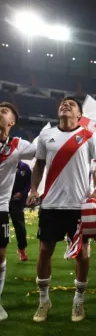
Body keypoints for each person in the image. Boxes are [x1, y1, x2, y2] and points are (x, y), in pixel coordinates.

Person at [26, 97, 96, 323]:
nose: (65, 105)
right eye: (63, 103)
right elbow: (39, 165)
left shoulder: (90, 136)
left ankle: (78, 300)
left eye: (71, 104)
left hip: (79, 206)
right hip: (51, 204)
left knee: (82, 253)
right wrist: (34, 189)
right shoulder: (46, 135)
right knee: (44, 250)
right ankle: (44, 300)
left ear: (79, 115)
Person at [0, 102, 36, 321]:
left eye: (3, 112)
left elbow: (43, 150)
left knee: (0, 254)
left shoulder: (18, 145)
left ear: (11, 122)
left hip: (1, 206)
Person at [10, 160, 32, 261]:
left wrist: (22, 193)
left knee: (20, 227)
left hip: (16, 201)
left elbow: (29, 184)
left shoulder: (25, 167)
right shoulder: (4, 163)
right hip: (3, 199)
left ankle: (21, 249)